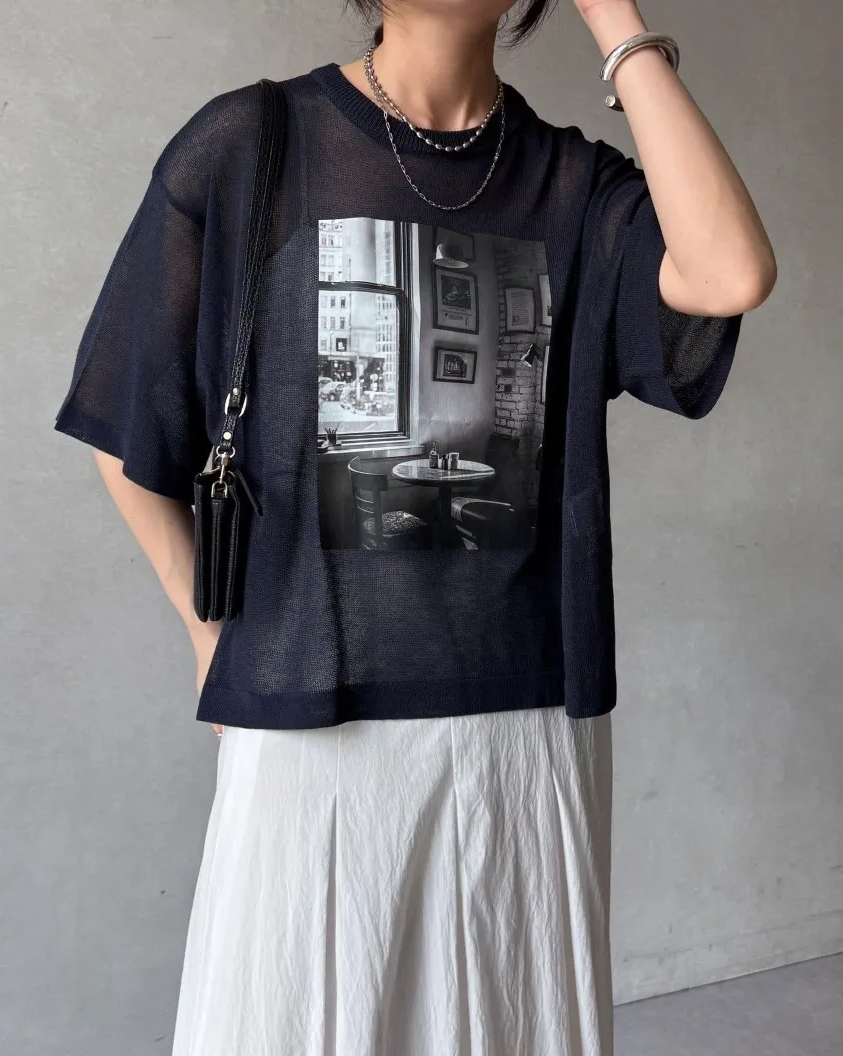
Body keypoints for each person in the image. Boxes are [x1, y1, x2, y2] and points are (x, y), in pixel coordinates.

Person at [53, 1, 776, 1052]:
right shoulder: (252, 144)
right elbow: (127, 427)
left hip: (526, 723)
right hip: (310, 720)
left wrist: (616, 23)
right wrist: (210, 638)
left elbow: (727, 275)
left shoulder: (574, 187)